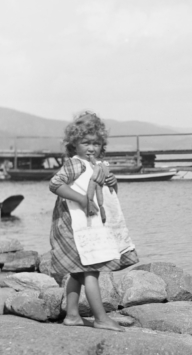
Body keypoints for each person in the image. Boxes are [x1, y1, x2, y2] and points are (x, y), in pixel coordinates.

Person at [49, 112, 139, 331]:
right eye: (86, 143)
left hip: (86, 227)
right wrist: (83, 199)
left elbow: (108, 196)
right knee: (91, 271)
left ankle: (72, 315)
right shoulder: (75, 165)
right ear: (74, 145)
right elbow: (55, 184)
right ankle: (100, 318)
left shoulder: (97, 167)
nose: (92, 148)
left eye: (96, 144)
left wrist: (113, 183)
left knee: (78, 273)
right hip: (74, 227)